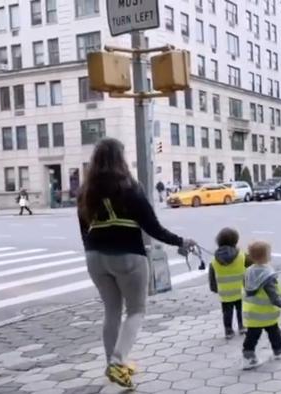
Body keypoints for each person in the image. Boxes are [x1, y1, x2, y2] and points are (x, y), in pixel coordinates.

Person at [77, 138, 194, 388]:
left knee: (111, 311)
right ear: (120, 159)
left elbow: (84, 231)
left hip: (95, 257)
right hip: (128, 255)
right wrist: (181, 241)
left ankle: (112, 364)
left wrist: (93, 252)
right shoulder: (130, 187)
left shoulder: (85, 191)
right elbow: (152, 227)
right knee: (136, 311)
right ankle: (118, 362)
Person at [242, 241, 281, 370]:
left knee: (252, 335)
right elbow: (273, 294)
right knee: (274, 332)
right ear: (266, 256)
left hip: (252, 313)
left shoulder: (249, 271)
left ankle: (248, 355)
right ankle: (278, 350)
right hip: (266, 313)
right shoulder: (266, 274)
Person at [208, 228, 250, 340]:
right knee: (241, 309)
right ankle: (242, 326)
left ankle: (228, 330)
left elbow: (212, 277)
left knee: (227, 312)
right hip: (239, 290)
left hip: (224, 293)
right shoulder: (241, 256)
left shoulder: (214, 260)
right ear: (235, 241)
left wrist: (214, 288)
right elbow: (251, 267)